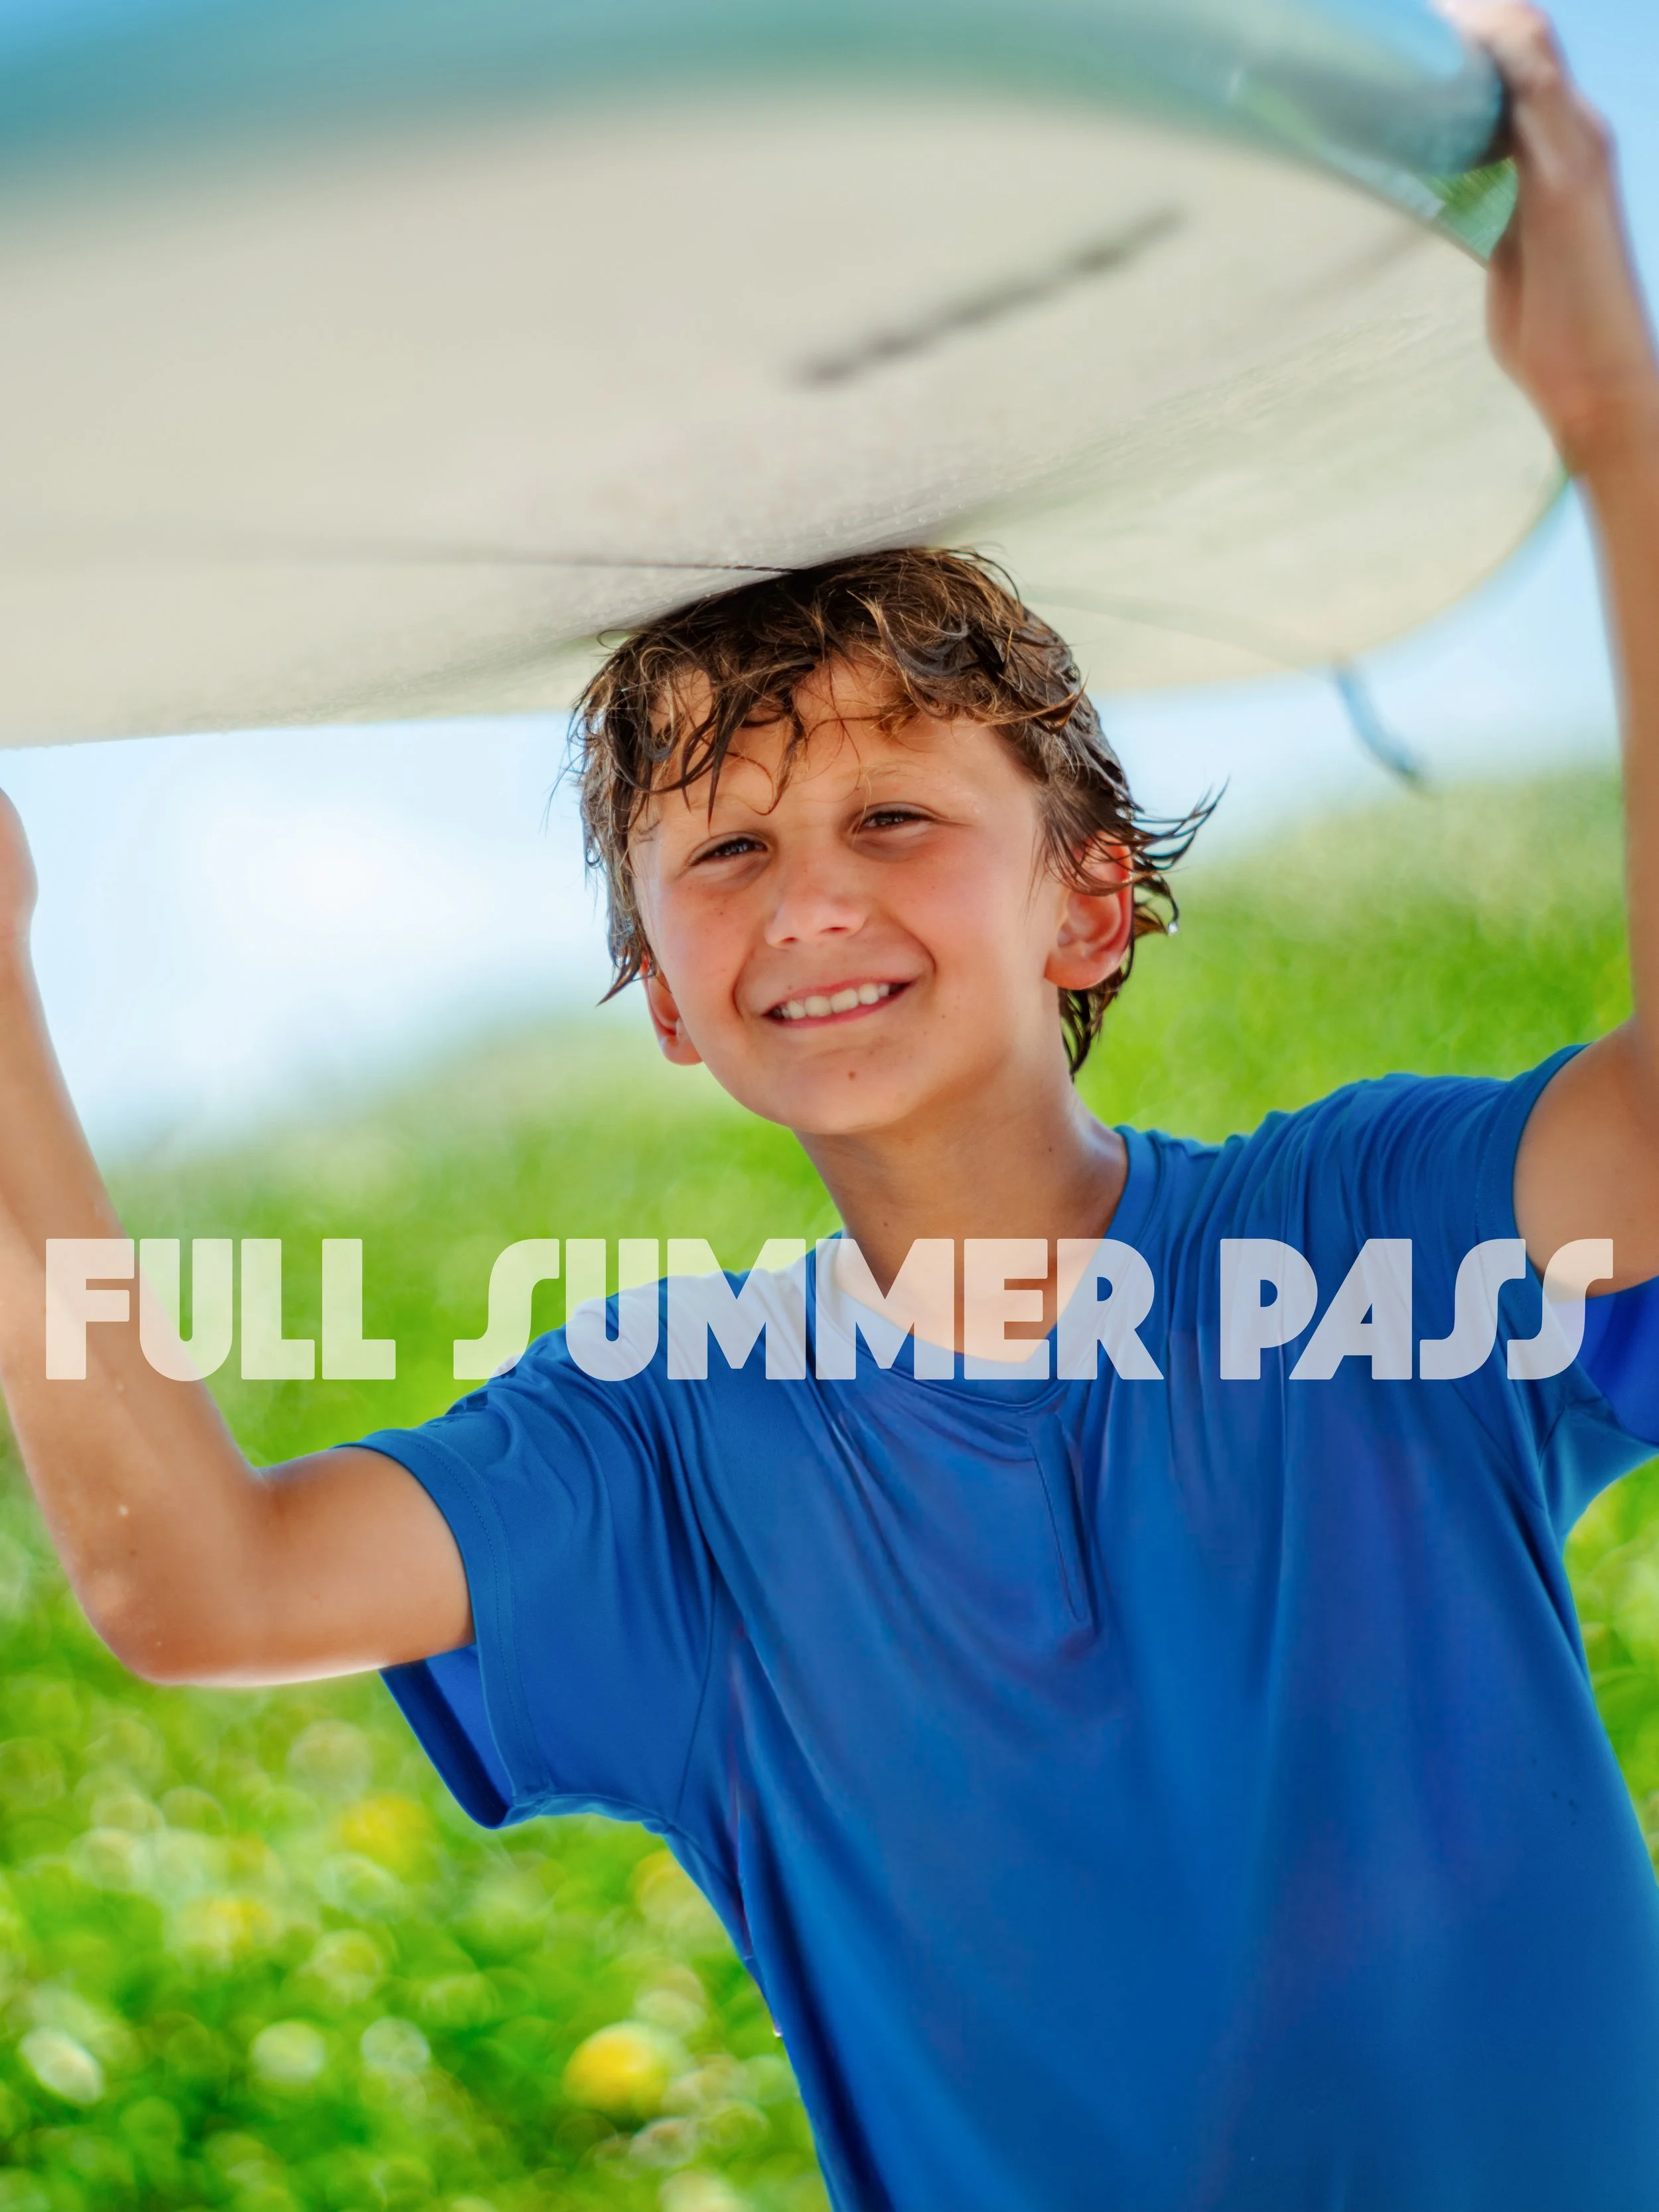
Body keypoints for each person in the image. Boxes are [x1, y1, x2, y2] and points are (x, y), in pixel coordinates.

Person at [2, 4, 1658, 2205]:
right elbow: (199, 1583)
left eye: (893, 813)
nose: (809, 899)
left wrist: (1615, 428)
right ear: (668, 1005)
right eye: (722, 850)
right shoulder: (666, 1444)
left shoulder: (1370, 1244)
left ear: (1088, 901)